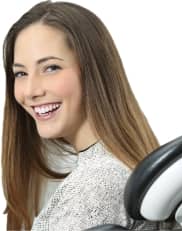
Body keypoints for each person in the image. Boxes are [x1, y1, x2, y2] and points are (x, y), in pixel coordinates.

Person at [1, 1, 161, 230]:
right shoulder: (117, 167)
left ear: (93, 71)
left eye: (51, 68)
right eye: (21, 73)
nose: (30, 91)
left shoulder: (97, 183)